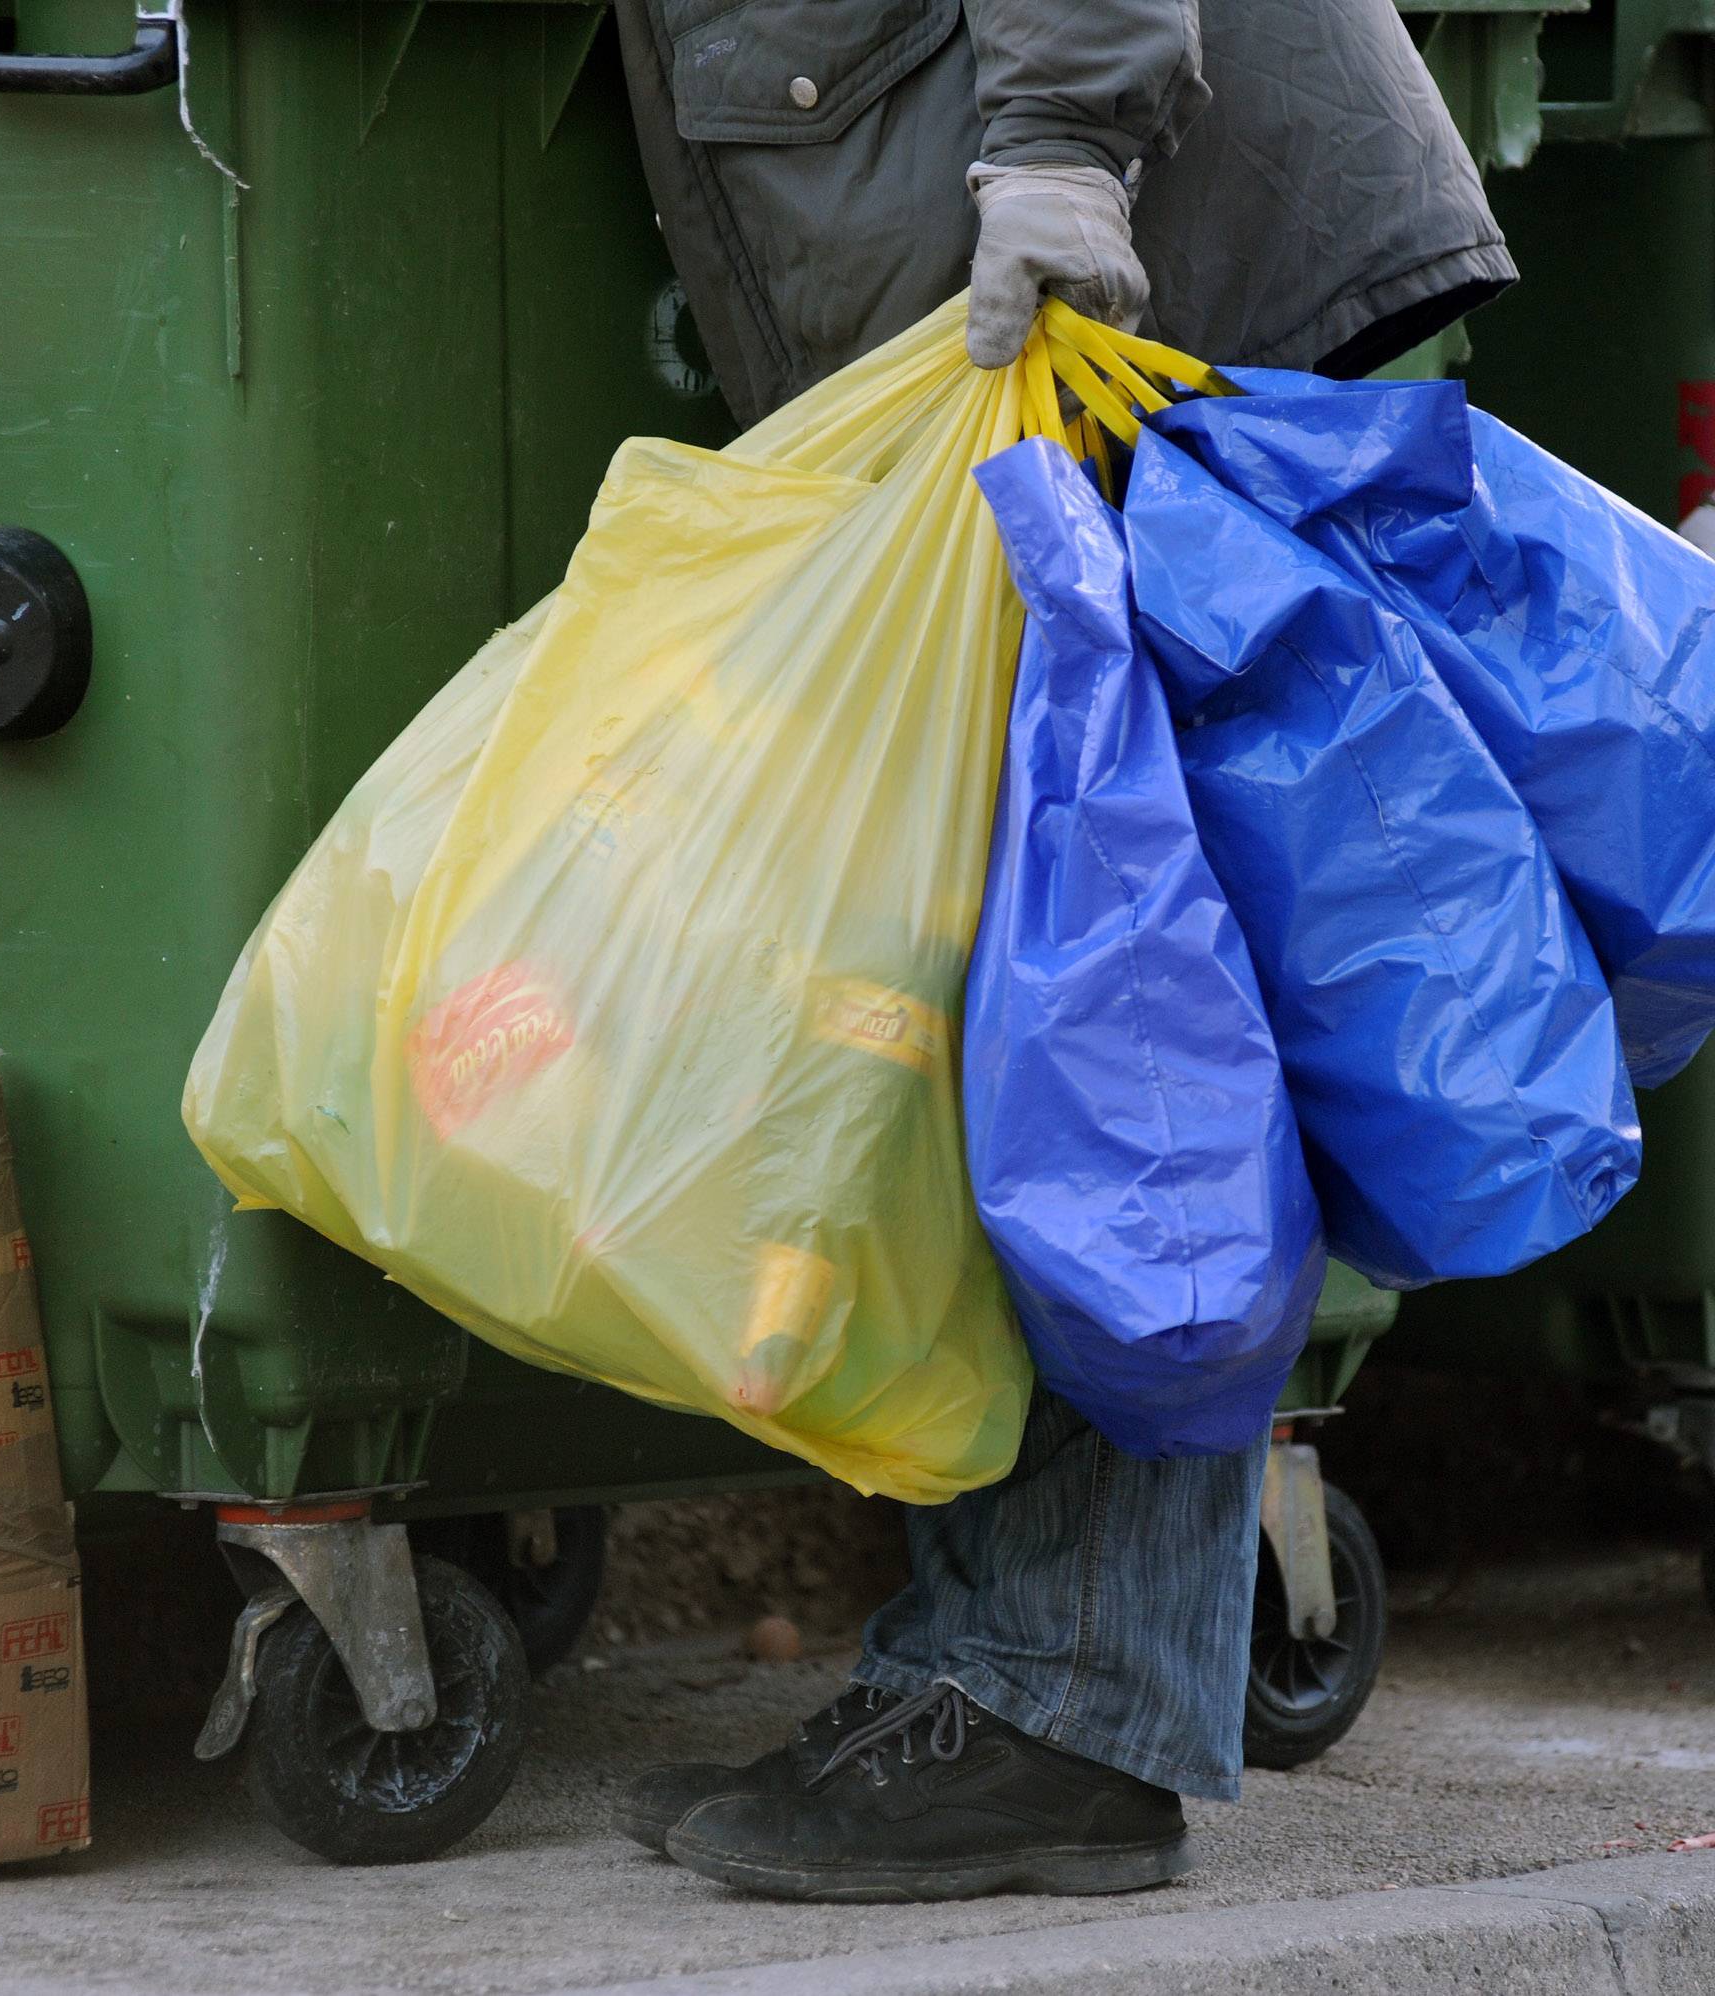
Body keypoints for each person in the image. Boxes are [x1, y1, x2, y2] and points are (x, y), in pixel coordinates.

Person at [610, 0, 1510, 1904]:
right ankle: (991, 1669)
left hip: (1114, 249)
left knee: (1120, 998)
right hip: (1039, 244)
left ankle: (1061, 1711)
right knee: (1037, 976)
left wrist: (1064, 144)